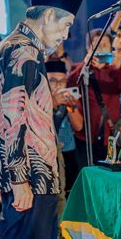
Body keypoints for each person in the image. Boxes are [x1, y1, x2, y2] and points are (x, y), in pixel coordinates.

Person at [0, 0, 83, 239]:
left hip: (29, 175)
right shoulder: (22, 51)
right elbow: (12, 117)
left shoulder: (14, 45)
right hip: (31, 177)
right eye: (66, 25)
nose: (66, 35)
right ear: (49, 15)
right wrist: (18, 180)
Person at [68, 28, 121, 167]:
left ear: (111, 47)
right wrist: (85, 65)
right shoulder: (80, 68)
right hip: (87, 135)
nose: (101, 48)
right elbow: (70, 85)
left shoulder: (114, 69)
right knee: (88, 174)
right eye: (96, 45)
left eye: (105, 45)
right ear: (88, 47)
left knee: (113, 176)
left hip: (111, 135)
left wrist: (119, 68)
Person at [45, 60, 83, 214]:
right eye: (53, 80)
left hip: (68, 150)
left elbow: (79, 126)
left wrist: (71, 107)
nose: (58, 85)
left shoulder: (67, 97)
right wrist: (53, 103)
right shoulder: (37, 99)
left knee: (68, 191)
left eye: (62, 81)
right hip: (48, 154)